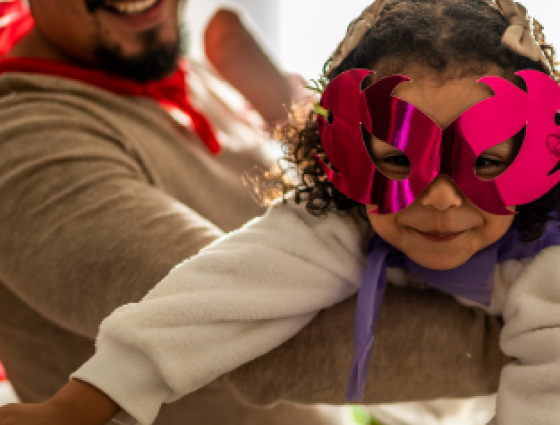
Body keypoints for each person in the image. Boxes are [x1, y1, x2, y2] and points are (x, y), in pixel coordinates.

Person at [0, 0, 513, 424]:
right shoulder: (25, 142)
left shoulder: (160, 67)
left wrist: (287, 122)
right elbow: (243, 329)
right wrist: (529, 337)